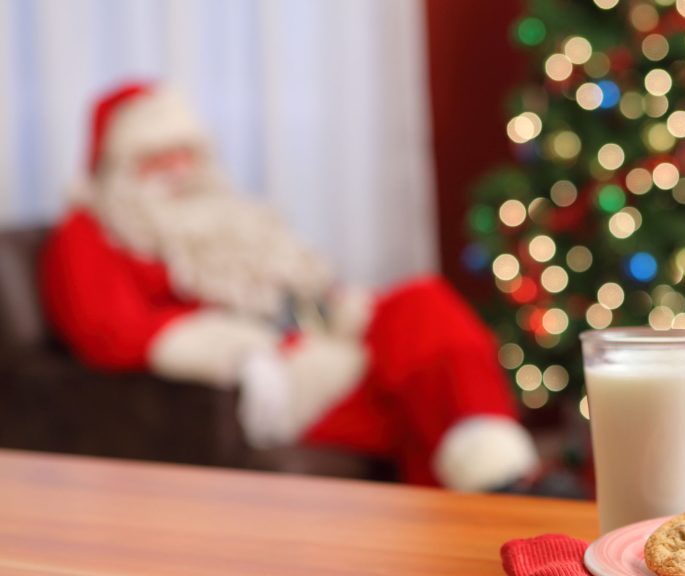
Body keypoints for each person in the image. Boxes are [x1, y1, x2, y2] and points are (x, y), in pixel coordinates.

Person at [41, 82, 539, 492]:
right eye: (156, 157)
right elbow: (107, 332)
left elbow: (302, 287)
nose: (177, 169)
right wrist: (238, 350)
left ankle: (494, 477)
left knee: (420, 301)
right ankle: (504, 486)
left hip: (320, 341)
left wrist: (336, 308)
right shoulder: (91, 231)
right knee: (421, 395)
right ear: (118, 166)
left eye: (185, 152)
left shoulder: (227, 215)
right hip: (278, 379)